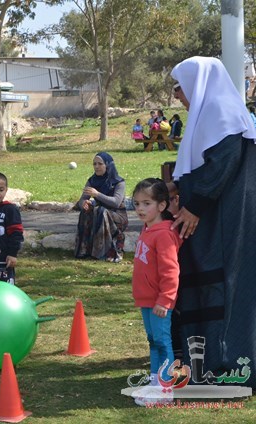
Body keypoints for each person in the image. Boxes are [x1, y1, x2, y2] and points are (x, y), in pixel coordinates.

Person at [169, 57, 256, 388]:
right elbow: (203, 166)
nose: (177, 95)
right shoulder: (212, 115)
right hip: (214, 218)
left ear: (197, 82)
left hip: (227, 222)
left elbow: (222, 165)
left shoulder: (223, 113)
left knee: (225, 284)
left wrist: (196, 205)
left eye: (179, 86)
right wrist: (174, 190)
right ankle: (204, 361)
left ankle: (229, 363)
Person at [130, 178, 182, 407]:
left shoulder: (163, 234)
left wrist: (165, 299)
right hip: (146, 301)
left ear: (161, 206)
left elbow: (171, 271)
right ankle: (155, 382)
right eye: (137, 203)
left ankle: (166, 388)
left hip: (160, 303)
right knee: (153, 341)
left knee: (162, 342)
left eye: (146, 203)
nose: (140, 209)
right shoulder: (148, 229)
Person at [75, 152, 128, 263]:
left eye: (100, 164)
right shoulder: (92, 181)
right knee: (87, 211)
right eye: (94, 164)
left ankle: (106, 252)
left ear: (108, 165)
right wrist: (84, 204)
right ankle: (85, 251)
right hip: (100, 215)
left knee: (101, 211)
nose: (97, 167)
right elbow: (82, 200)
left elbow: (116, 203)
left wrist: (97, 194)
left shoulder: (119, 182)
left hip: (117, 216)